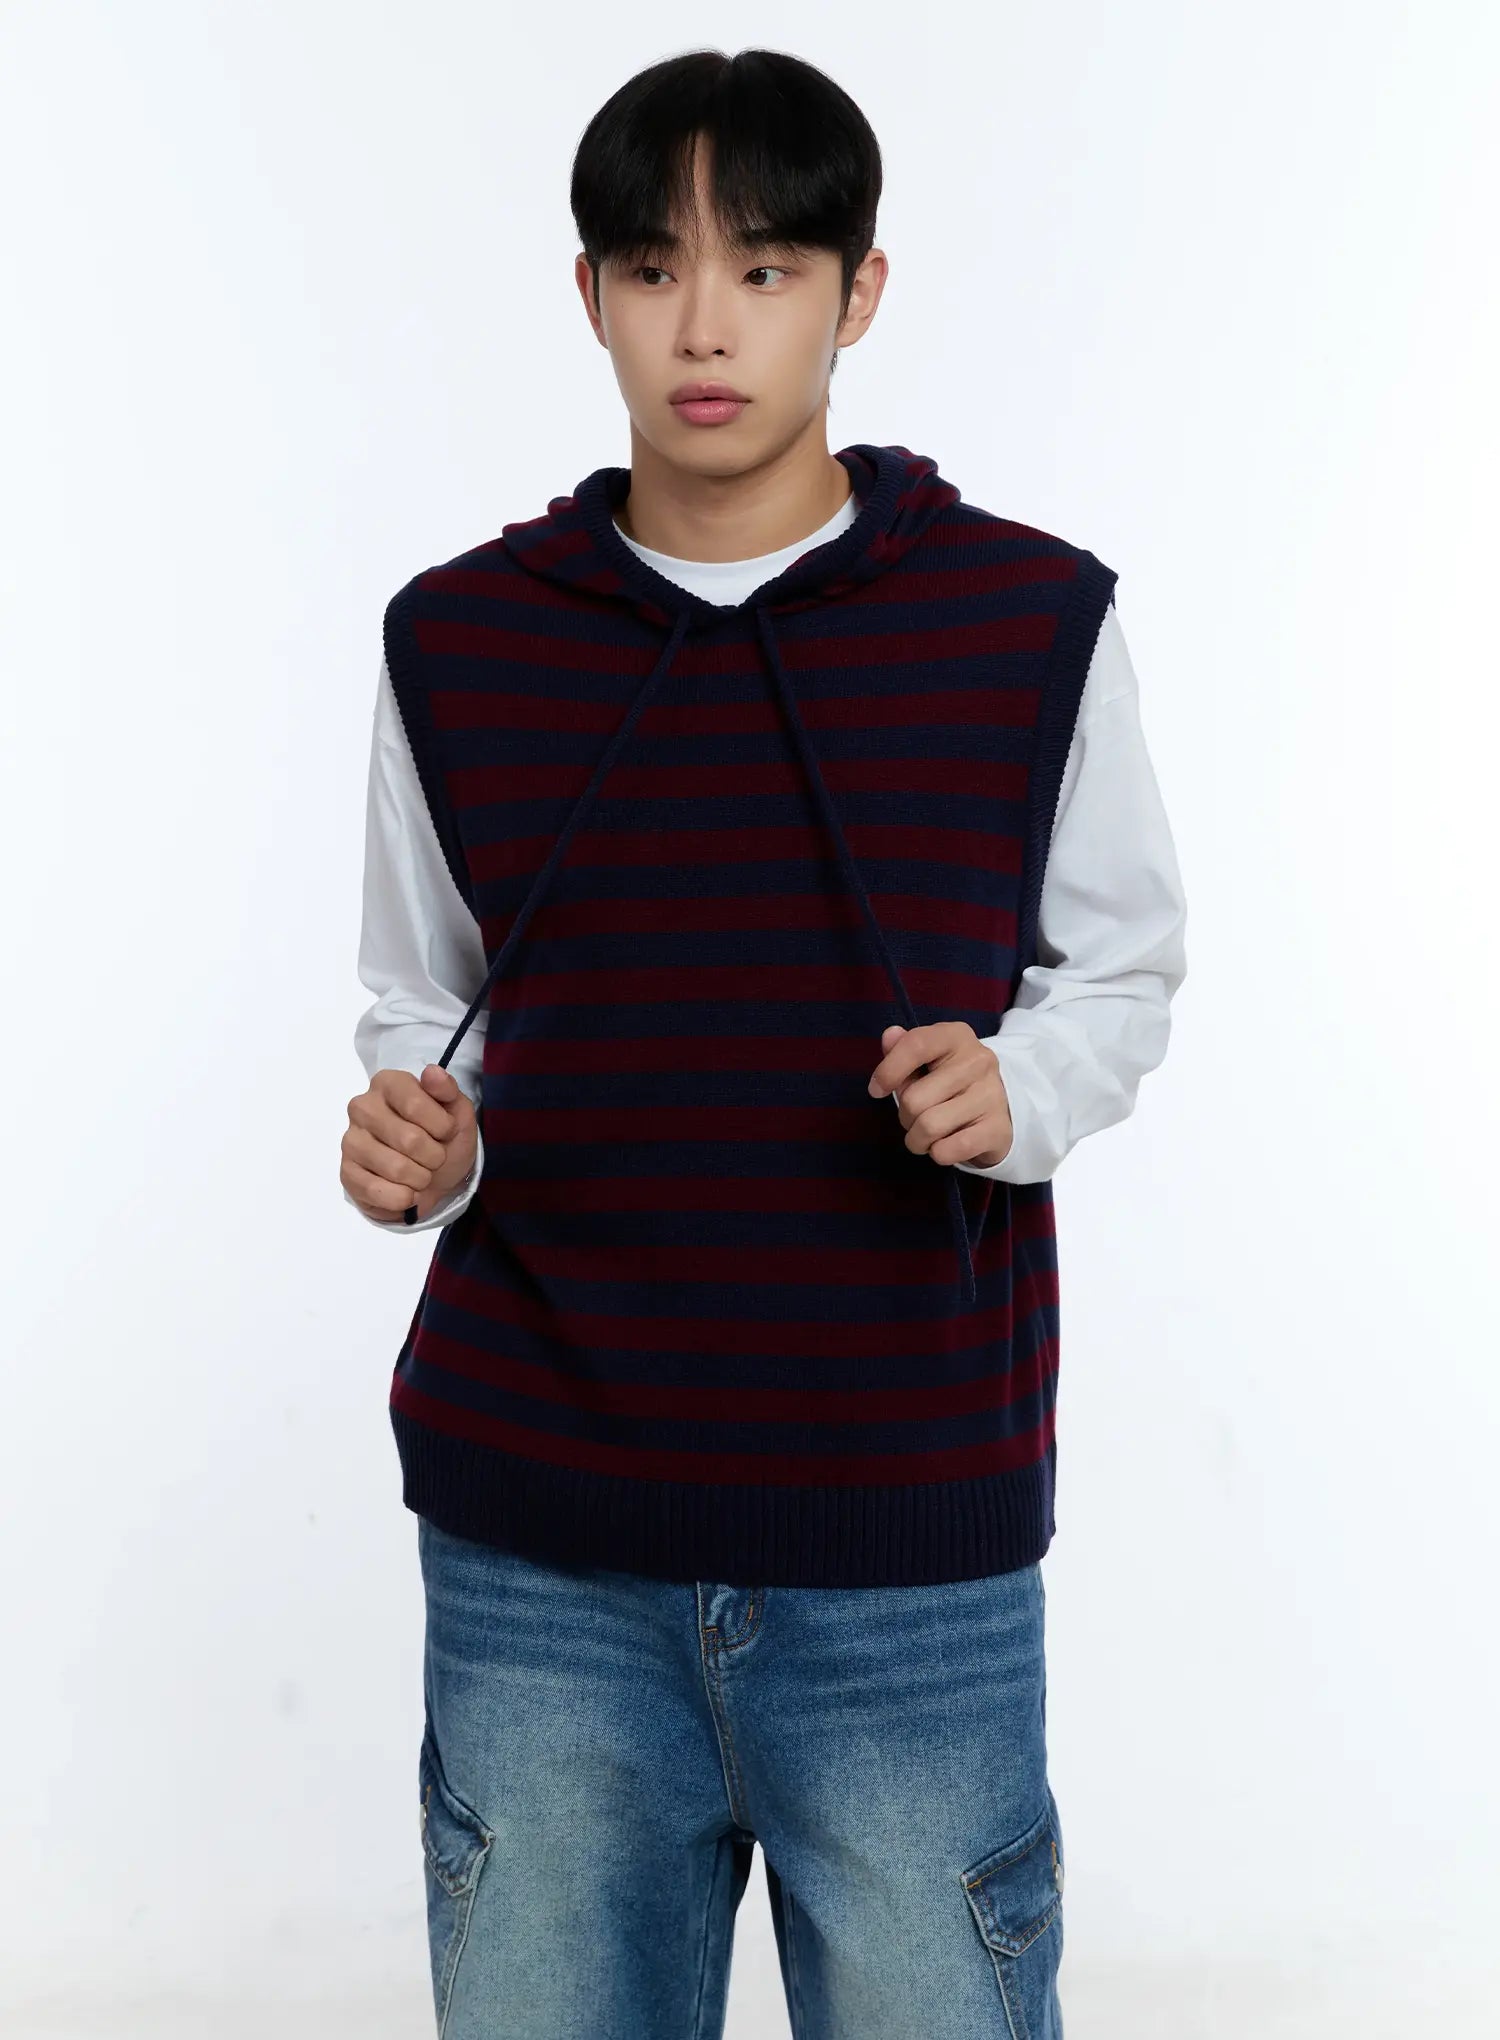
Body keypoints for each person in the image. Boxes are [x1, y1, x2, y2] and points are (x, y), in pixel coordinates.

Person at [340, 45, 1186, 2040]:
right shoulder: (459, 640)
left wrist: (1016, 1091)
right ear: (591, 295)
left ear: (858, 292)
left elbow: (1123, 970)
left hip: (907, 1558)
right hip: (540, 1557)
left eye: (767, 267)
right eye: (653, 269)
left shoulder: (1028, 620)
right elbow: (422, 1002)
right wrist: (423, 1142)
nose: (705, 325)